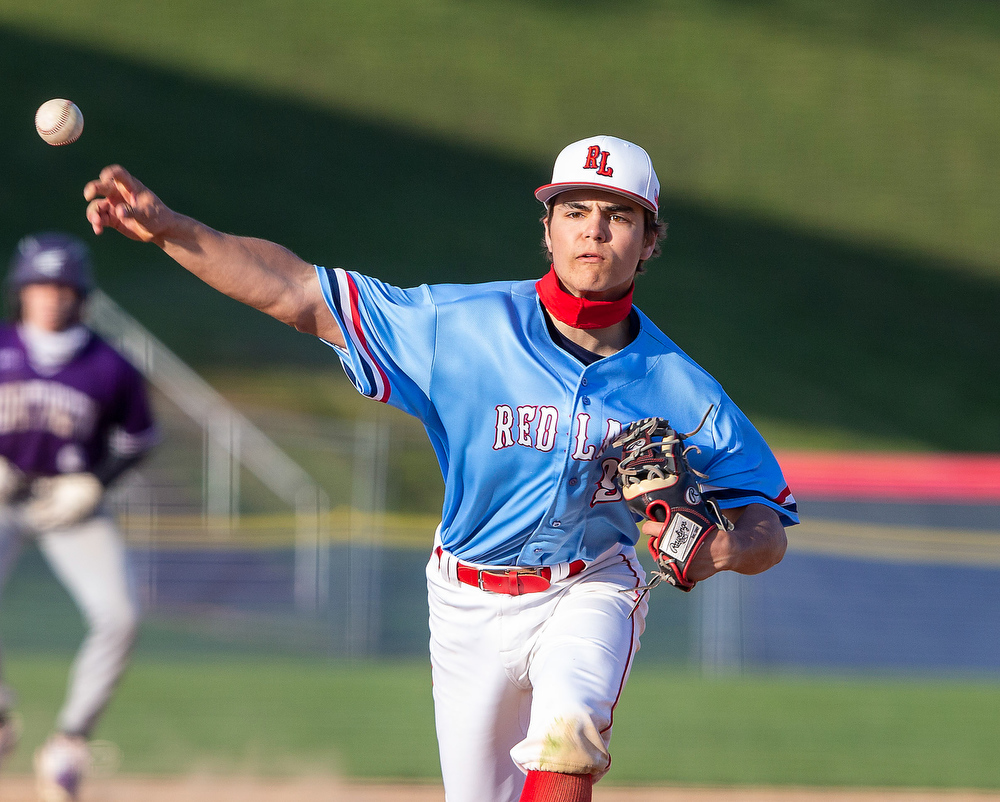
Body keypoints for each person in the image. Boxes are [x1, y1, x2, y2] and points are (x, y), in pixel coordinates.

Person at [83, 135, 798, 802]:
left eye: (619, 217)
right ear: (547, 229)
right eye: (574, 211)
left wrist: (720, 550)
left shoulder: (683, 388)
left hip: (591, 583)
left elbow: (767, 522)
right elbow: (298, 293)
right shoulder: (459, 328)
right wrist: (175, 229)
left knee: (569, 732)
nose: (594, 230)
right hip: (466, 602)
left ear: (648, 243)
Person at [0, 232, 158, 802]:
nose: (50, 297)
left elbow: (140, 438)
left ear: (80, 296)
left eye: (62, 287)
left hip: (71, 505)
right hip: (1, 499)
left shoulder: (107, 365)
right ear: (21, 292)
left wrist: (95, 482)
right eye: (39, 285)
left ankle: (68, 744)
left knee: (120, 617)